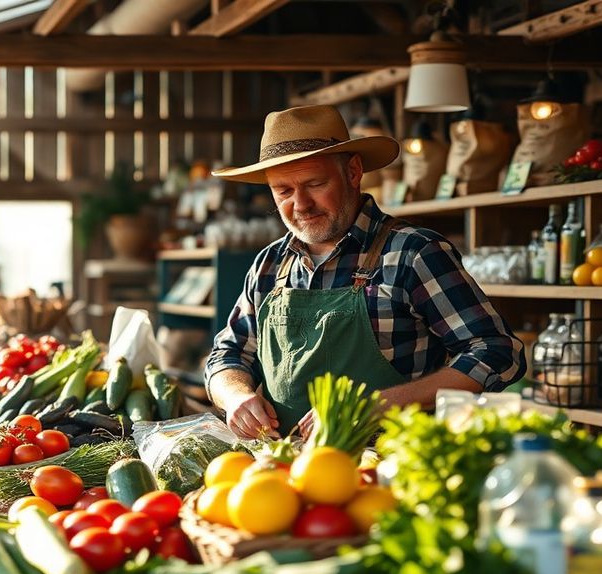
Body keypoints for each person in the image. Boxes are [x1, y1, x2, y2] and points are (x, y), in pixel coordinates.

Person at [204, 105, 526, 439]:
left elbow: (497, 352)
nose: (300, 204)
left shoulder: (413, 253)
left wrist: (381, 404)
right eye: (283, 191)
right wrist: (236, 396)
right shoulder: (269, 264)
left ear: (353, 172)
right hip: (285, 465)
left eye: (315, 184)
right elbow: (227, 354)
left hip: (389, 461)